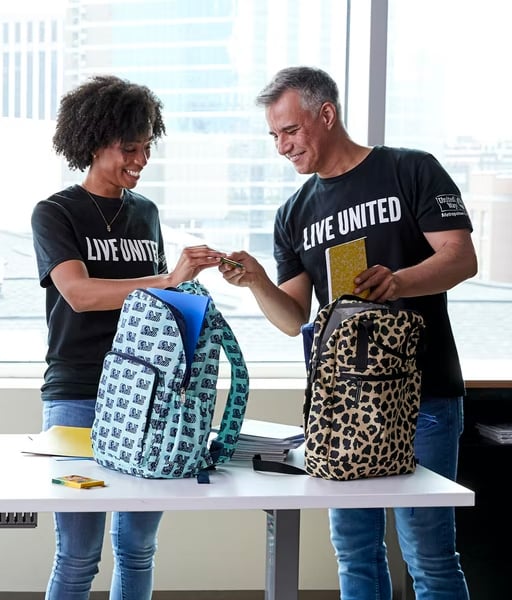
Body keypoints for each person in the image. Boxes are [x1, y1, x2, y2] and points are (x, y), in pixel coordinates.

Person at [222, 65, 474, 600]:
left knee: (428, 555)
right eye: (274, 136)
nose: (281, 146)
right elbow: (294, 318)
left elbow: (461, 256)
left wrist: (399, 280)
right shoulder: (293, 213)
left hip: (424, 395)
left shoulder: (410, 170)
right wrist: (257, 281)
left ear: (326, 114)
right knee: (355, 551)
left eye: (289, 131)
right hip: (341, 405)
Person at [30, 75, 224, 600]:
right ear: (93, 143)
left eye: (146, 148)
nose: (140, 160)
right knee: (77, 553)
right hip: (77, 394)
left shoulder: (147, 214)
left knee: (137, 549)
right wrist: (167, 280)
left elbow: (154, 310)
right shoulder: (55, 212)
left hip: (151, 395)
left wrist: (186, 293)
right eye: (129, 149)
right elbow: (79, 294)